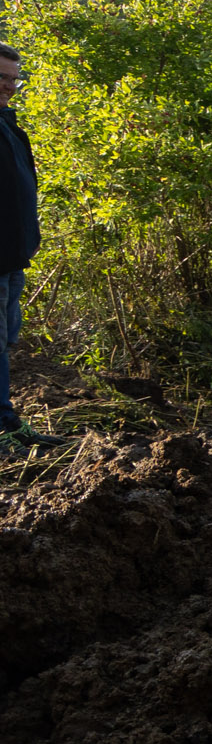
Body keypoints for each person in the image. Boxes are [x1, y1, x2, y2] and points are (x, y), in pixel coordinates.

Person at [0, 44, 63, 456]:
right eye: (1, 78)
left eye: (13, 79)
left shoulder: (7, 124)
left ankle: (5, 423)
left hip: (11, 255)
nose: (9, 86)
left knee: (3, 342)